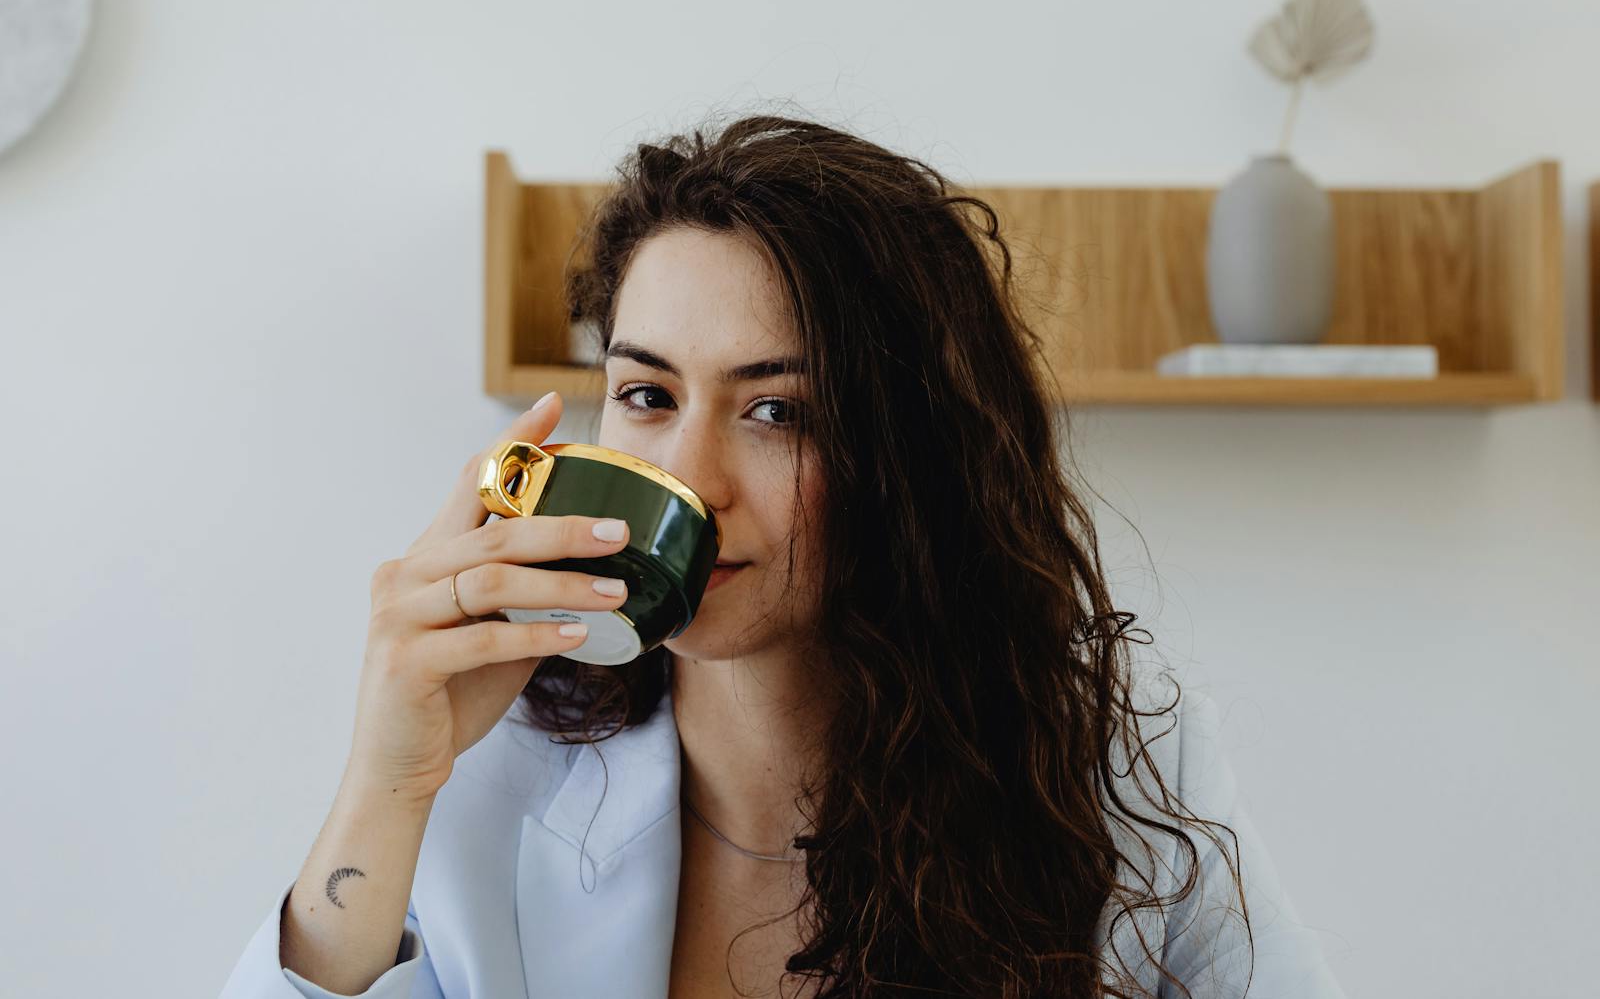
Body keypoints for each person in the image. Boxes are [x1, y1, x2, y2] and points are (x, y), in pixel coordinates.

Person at [220, 115, 1346, 998]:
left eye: (779, 412)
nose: (691, 479)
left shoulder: (1103, 762)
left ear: (909, 456)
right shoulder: (493, 761)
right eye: (648, 395)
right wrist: (386, 782)